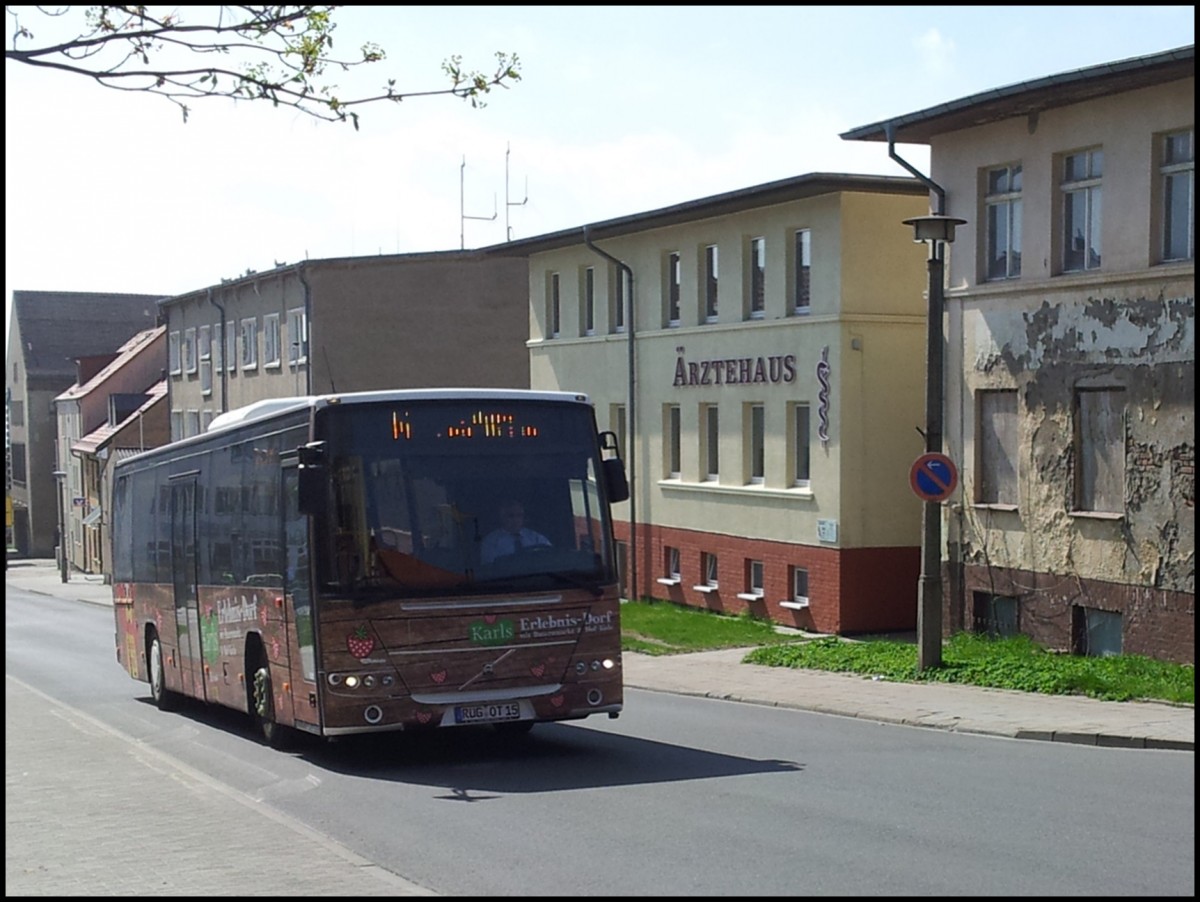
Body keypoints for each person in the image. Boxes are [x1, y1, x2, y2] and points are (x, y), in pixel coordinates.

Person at [480, 499, 550, 564]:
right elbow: (490, 567)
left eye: (519, 515)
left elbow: (550, 556)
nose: (516, 520)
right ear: (502, 517)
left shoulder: (535, 538)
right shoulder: (491, 542)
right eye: (511, 516)